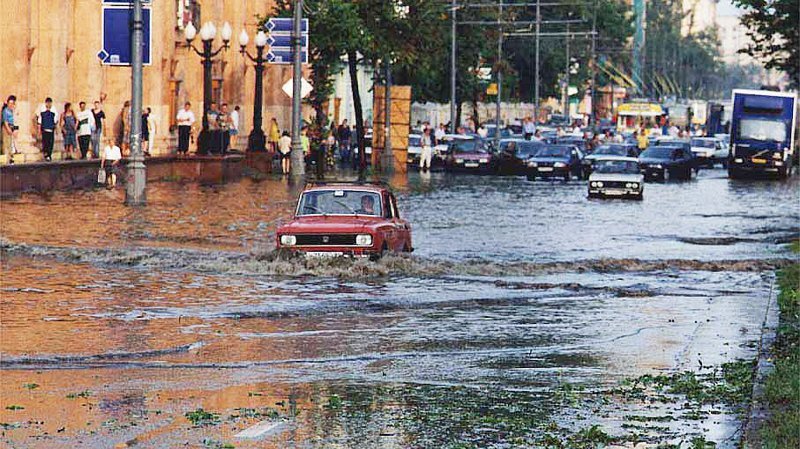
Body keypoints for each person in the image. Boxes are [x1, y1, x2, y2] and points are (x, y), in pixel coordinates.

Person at [1, 95, 18, 162]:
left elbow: (15, 121)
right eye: (10, 103)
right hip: (6, 127)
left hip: (11, 127)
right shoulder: (5, 111)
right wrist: (8, 129)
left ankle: (11, 157)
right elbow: (5, 121)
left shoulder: (12, 111)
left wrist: (15, 130)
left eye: (12, 103)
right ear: (7, 103)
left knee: (10, 142)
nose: (11, 105)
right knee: (7, 142)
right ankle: (8, 158)